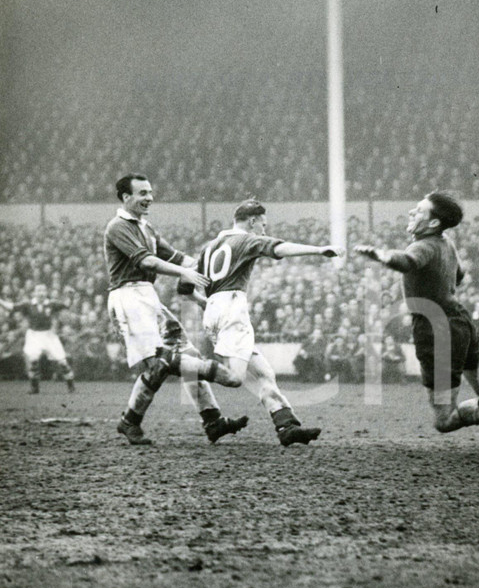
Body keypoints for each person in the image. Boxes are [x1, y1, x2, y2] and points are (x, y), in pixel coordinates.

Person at [354, 191, 479, 433]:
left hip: (437, 332)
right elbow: (459, 275)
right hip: (460, 321)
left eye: (419, 210)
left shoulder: (424, 246)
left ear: (434, 223)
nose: (411, 212)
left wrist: (384, 256)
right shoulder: (446, 243)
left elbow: (407, 261)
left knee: (444, 420)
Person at [178, 199, 339, 446]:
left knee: (264, 372)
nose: (264, 229)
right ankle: (179, 364)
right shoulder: (245, 240)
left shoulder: (210, 246)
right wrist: (318, 250)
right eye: (263, 223)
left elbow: (184, 287)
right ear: (252, 220)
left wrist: (205, 303)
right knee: (234, 377)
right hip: (232, 308)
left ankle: (286, 426)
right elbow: (280, 249)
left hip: (214, 309)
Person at [104, 173, 248, 446]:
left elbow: (176, 257)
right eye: (143, 193)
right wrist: (185, 273)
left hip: (147, 297)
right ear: (126, 197)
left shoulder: (146, 227)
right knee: (160, 362)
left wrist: (213, 266)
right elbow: (146, 261)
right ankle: (130, 421)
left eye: (150, 192)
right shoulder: (117, 226)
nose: (149, 197)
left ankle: (213, 420)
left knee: (182, 353)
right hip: (128, 297)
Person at [0, 283, 75, 393]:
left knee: (62, 361)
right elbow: (11, 307)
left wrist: (70, 296)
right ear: (34, 293)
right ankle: (35, 387)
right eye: (38, 291)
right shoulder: (28, 304)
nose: (41, 293)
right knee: (33, 360)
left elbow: (67, 305)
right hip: (34, 335)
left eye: (43, 291)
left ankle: (71, 386)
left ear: (46, 293)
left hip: (49, 335)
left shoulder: (51, 304)